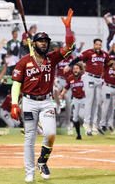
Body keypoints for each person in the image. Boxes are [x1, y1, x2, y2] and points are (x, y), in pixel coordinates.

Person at [10, 9, 74, 182]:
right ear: (34, 43)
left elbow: (69, 48)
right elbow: (16, 84)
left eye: (46, 41)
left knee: (51, 133)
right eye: (40, 41)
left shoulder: (52, 58)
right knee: (29, 139)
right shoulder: (24, 61)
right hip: (29, 103)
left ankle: (42, 161)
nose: (44, 44)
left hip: (46, 102)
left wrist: (68, 29)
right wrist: (14, 104)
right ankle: (29, 172)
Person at [64, 38, 109, 135]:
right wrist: (69, 65)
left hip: (98, 79)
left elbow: (108, 64)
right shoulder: (88, 52)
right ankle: (87, 123)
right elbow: (78, 58)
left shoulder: (104, 54)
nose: (98, 46)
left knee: (96, 102)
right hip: (89, 78)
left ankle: (94, 124)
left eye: (100, 45)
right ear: (94, 45)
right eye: (97, 44)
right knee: (90, 100)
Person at [59, 63, 84, 140]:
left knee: (82, 116)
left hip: (84, 99)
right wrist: (61, 94)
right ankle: (79, 135)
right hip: (76, 99)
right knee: (75, 118)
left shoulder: (84, 77)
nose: (75, 70)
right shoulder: (70, 78)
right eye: (74, 69)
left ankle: (92, 128)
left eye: (77, 68)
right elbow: (66, 88)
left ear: (80, 70)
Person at [99, 55, 115, 133]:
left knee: (112, 107)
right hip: (107, 87)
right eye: (111, 60)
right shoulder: (106, 67)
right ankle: (102, 124)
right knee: (106, 106)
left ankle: (109, 124)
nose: (112, 61)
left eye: (113, 59)